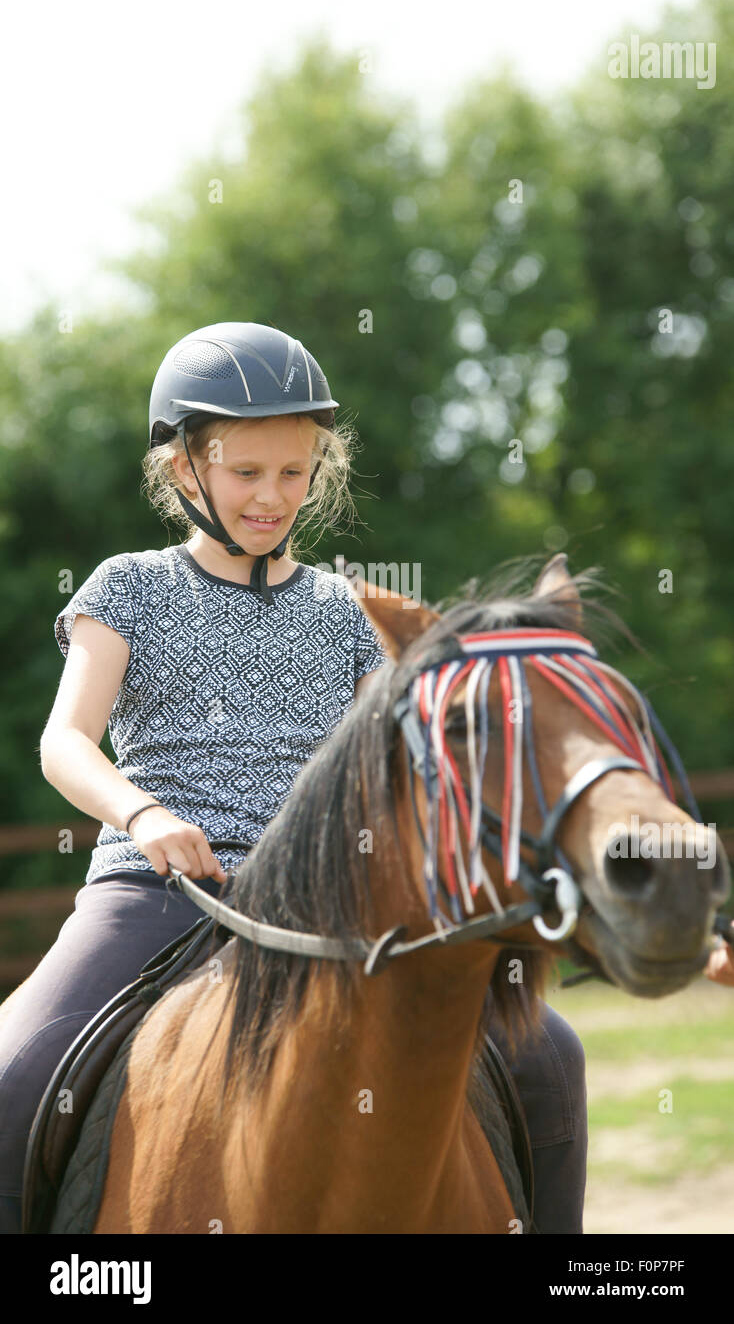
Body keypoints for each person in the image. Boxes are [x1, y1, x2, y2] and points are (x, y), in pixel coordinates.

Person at [0, 320, 587, 1235]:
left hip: (326, 899)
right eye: (246, 472)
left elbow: (407, 767)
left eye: (294, 472)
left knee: (549, 1052)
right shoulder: (126, 587)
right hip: (154, 886)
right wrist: (143, 813)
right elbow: (65, 742)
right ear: (183, 471)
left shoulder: (347, 608)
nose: (273, 497)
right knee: (15, 1068)